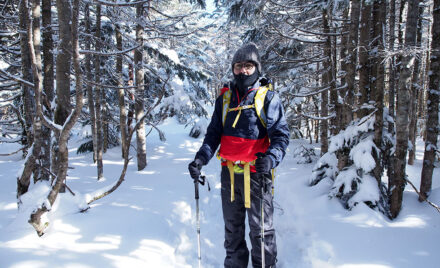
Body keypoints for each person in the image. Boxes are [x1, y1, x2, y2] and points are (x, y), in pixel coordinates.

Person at [188, 43, 289, 268]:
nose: (243, 71)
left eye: (248, 66)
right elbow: (213, 135)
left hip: (257, 175)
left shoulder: (268, 98)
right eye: (238, 66)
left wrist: (271, 158)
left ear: (257, 68)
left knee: (261, 232)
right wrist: (200, 159)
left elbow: (281, 137)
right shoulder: (224, 99)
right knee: (233, 231)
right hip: (230, 174)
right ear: (233, 69)